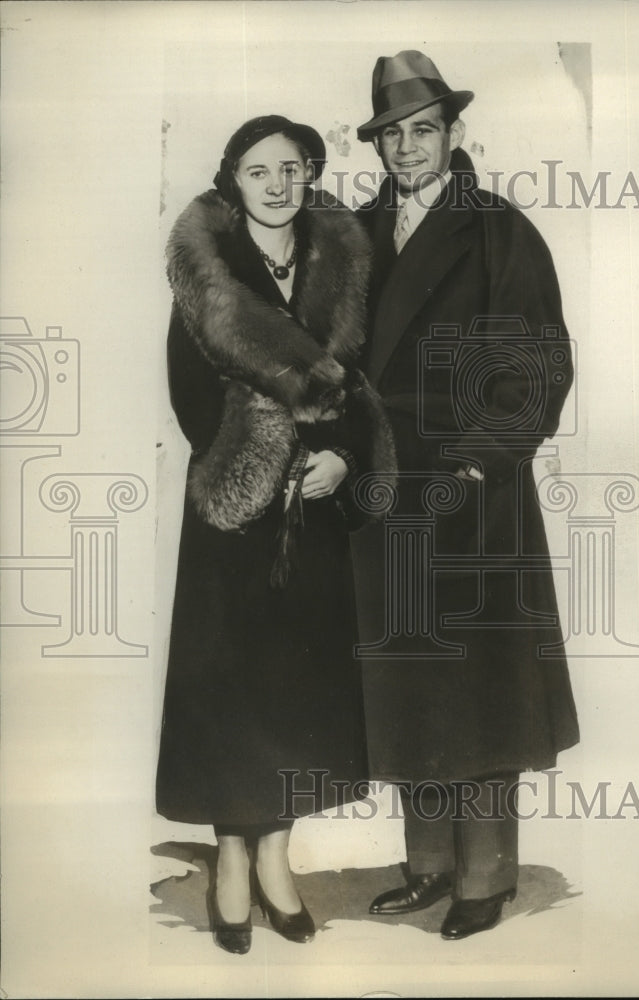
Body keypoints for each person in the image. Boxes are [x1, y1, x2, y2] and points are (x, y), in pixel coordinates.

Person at [353, 51, 580, 941]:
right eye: (392, 135)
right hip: (383, 492)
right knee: (407, 679)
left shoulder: (497, 231)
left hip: (473, 492)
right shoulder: (354, 234)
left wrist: (479, 466)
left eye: (423, 130)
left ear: (453, 134)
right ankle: (428, 866)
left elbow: (539, 364)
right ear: (376, 145)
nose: (407, 147)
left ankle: (484, 877)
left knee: (480, 688)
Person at [155, 115, 395, 955]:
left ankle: (275, 861)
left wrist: (341, 458)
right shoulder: (210, 277)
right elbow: (192, 398)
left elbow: (359, 386)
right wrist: (274, 454)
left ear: (310, 175)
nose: (276, 185)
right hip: (236, 516)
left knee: (294, 692)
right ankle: (231, 858)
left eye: (290, 168)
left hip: (313, 516)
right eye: (258, 171)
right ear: (234, 181)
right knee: (233, 693)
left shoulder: (339, 266)